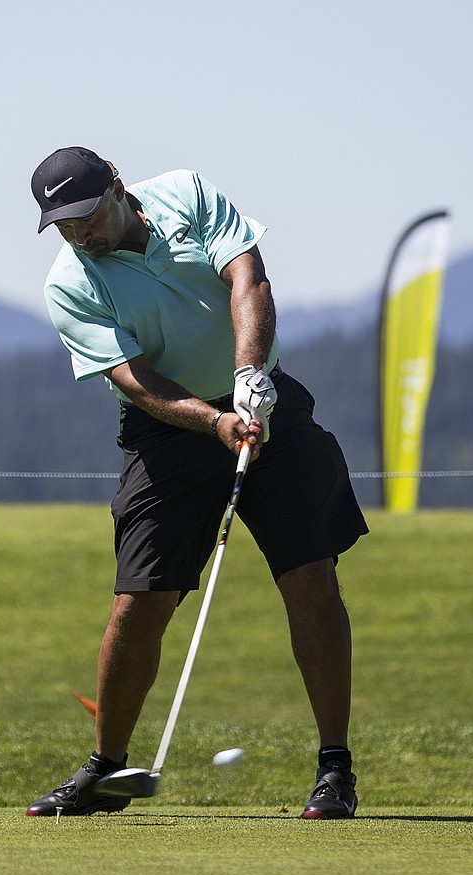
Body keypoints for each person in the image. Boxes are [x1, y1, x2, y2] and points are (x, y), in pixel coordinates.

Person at [26, 147, 369, 819]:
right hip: (168, 433)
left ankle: (335, 770)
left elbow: (248, 279)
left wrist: (250, 379)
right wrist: (214, 422)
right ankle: (104, 768)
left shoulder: (185, 192)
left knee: (311, 579)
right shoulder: (69, 283)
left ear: (117, 190)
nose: (79, 234)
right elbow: (132, 378)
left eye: (86, 216)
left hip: (265, 403)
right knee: (138, 602)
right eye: (63, 225)